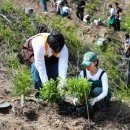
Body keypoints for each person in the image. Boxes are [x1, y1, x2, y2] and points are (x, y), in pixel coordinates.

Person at [20, 31, 69, 100]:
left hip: (49, 56)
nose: (56, 52)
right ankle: (40, 95)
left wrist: (61, 88)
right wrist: (47, 88)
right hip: (32, 51)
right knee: (35, 67)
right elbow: (41, 68)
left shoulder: (64, 49)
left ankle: (55, 95)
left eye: (58, 51)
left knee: (55, 69)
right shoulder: (39, 44)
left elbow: (62, 70)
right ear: (49, 45)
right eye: (54, 50)